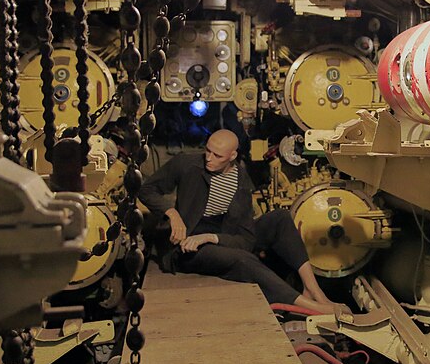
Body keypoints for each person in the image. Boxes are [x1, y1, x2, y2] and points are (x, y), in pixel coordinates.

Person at [137, 129, 343, 314]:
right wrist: (172, 214)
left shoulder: (241, 182)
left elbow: (245, 240)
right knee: (242, 260)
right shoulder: (187, 163)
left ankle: (313, 290)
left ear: (232, 156)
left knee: (279, 218)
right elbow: (146, 189)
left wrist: (210, 237)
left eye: (217, 155)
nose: (208, 158)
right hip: (186, 246)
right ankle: (310, 307)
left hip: (222, 237)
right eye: (207, 151)